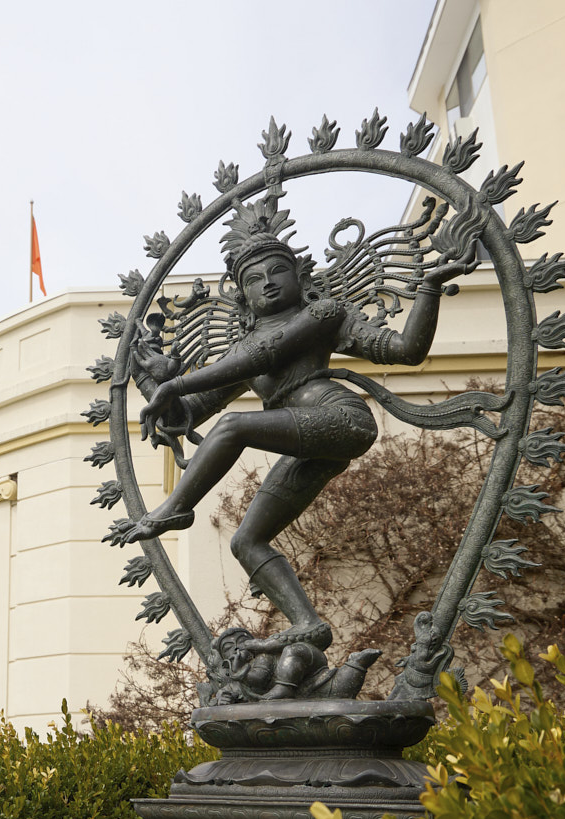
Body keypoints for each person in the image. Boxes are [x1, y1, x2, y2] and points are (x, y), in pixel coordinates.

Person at [122, 218, 475, 652]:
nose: (268, 283)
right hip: (309, 446)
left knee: (233, 426)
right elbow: (185, 414)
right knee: (247, 541)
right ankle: (307, 624)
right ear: (243, 296)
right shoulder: (239, 353)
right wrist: (150, 377)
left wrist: (430, 288)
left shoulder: (322, 315)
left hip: (341, 419)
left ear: (300, 278)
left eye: (277, 272)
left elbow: (405, 350)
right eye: (254, 279)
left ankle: (176, 508)